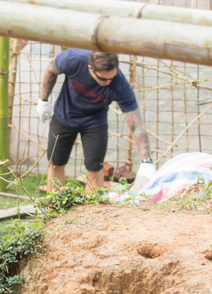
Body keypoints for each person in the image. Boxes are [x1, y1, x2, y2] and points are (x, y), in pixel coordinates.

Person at [36, 48, 142, 191]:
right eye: (104, 79)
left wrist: (147, 161)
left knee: (94, 169)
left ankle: (91, 212)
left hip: (95, 122)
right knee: (55, 164)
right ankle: (54, 210)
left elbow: (136, 122)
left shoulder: (119, 84)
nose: (109, 82)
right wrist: (43, 100)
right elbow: (51, 68)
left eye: (112, 77)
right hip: (64, 116)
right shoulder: (73, 59)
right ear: (90, 69)